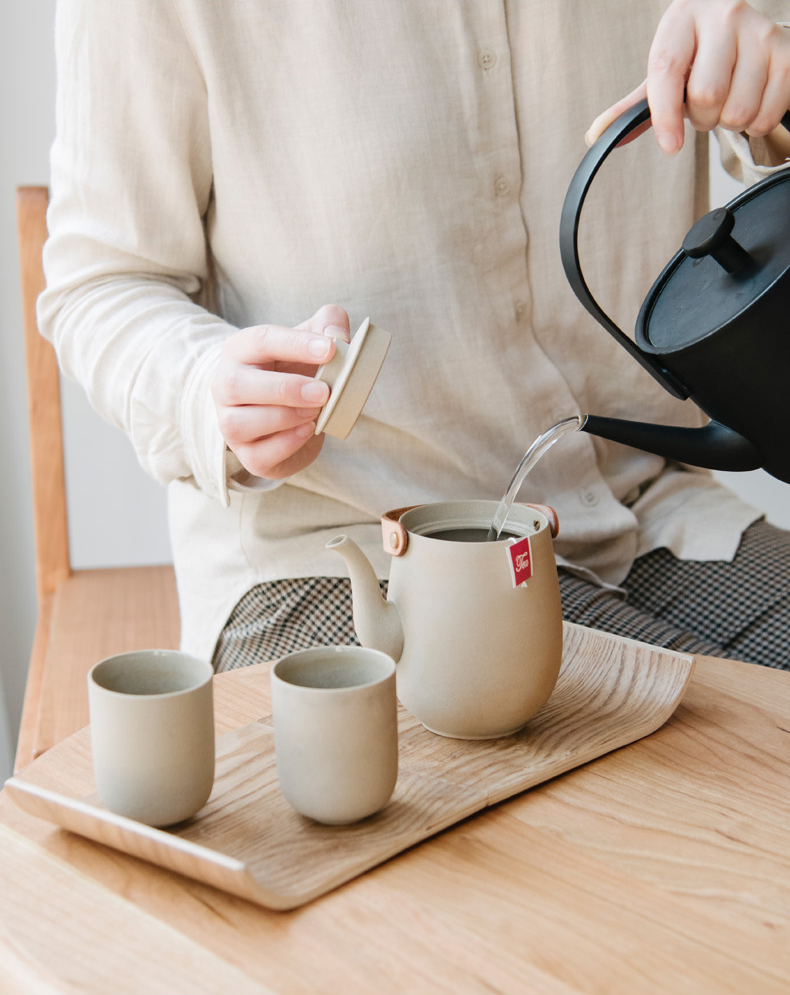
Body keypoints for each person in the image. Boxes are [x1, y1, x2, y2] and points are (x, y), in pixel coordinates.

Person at [39, 0, 790, 672]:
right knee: (701, 782)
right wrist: (207, 389)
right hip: (344, 555)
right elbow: (100, 283)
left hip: (647, 512)